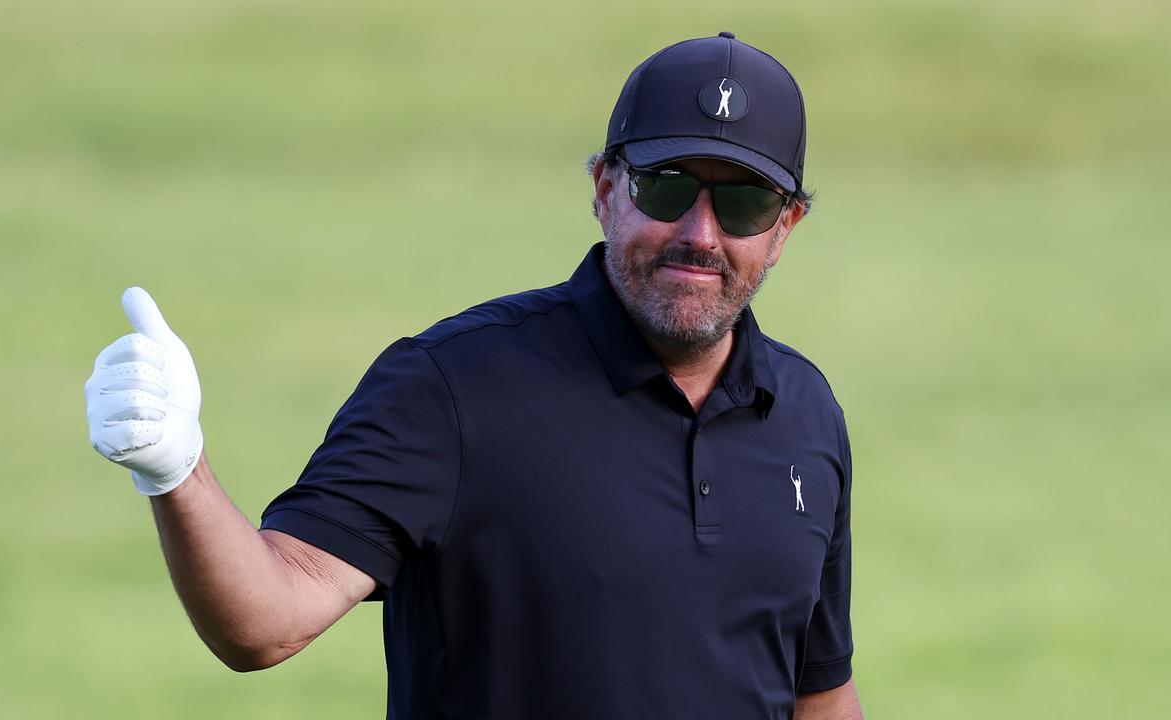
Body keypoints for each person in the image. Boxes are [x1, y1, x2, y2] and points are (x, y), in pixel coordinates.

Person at [84, 31, 862, 719]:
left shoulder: (804, 415)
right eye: (664, 188)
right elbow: (263, 620)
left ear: (785, 225)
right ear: (604, 189)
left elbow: (817, 694)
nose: (700, 233)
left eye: (744, 204)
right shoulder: (451, 388)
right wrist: (177, 472)